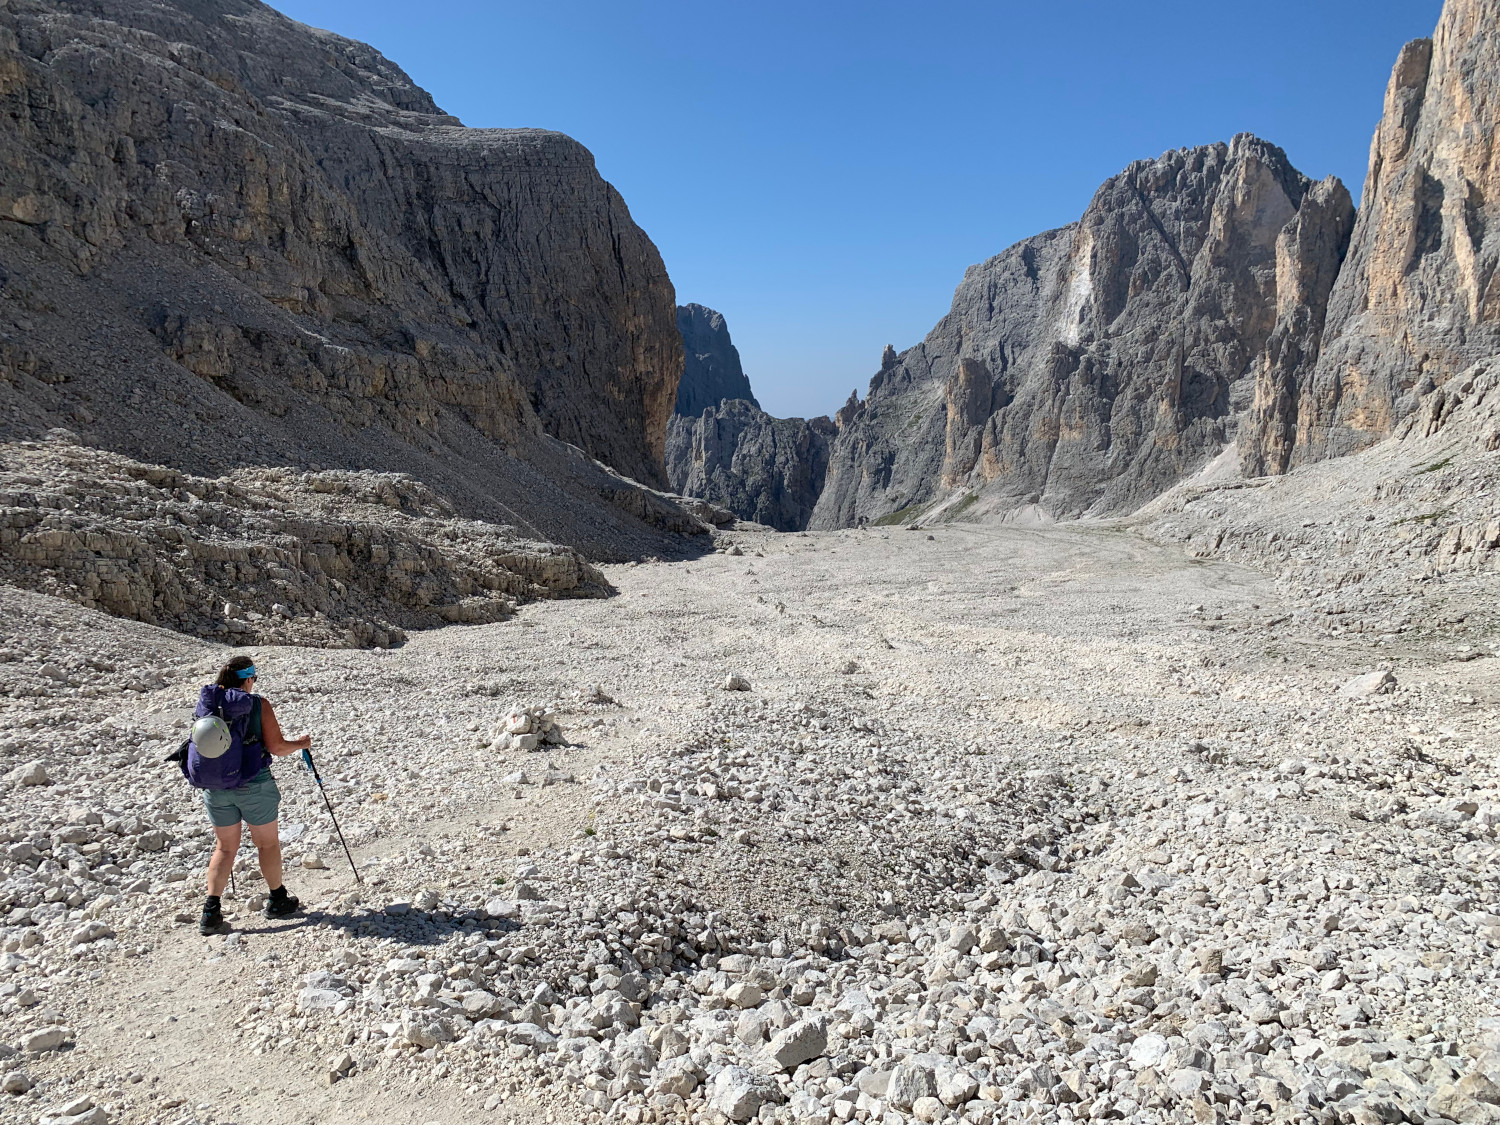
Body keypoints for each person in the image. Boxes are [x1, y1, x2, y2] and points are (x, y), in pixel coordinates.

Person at [195, 654, 311, 934]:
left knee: (224, 847)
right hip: (254, 784)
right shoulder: (258, 704)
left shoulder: (209, 702)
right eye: (254, 678)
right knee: (267, 844)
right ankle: (277, 899)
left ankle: (211, 912)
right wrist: (302, 744)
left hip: (216, 786)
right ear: (248, 679)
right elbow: (277, 747)